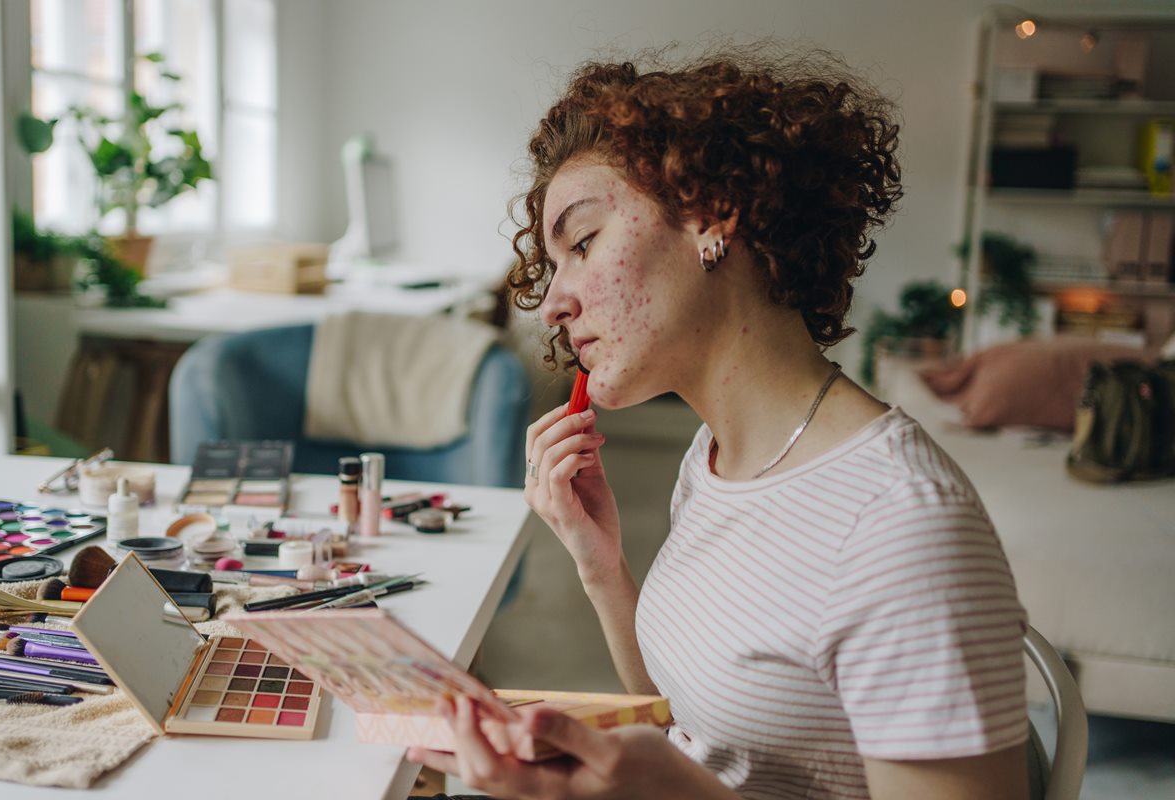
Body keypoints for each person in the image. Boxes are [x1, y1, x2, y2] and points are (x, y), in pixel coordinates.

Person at [409, 47, 1030, 800]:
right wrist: (602, 567)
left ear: (711, 212)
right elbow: (693, 731)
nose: (553, 302)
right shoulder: (718, 458)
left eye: (583, 243)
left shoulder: (901, 526)